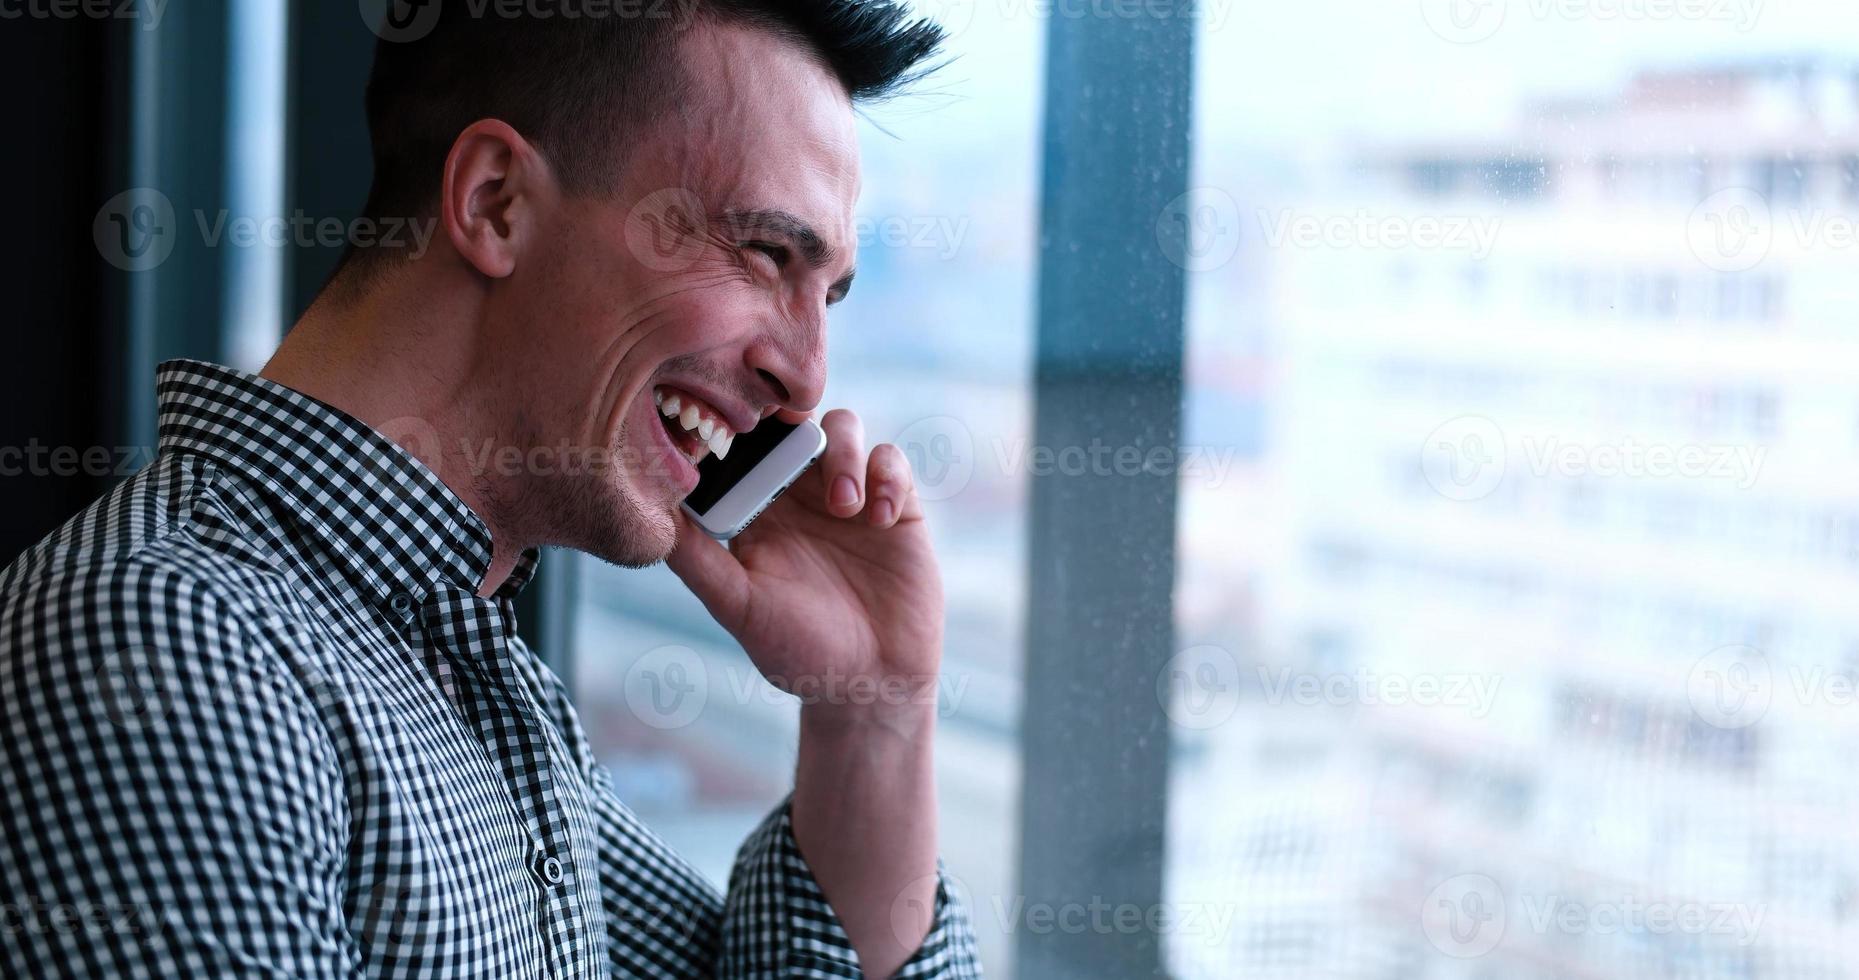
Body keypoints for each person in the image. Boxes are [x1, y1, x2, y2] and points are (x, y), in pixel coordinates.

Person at [0, 1, 982, 976]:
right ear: (495, 202)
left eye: (829, 293)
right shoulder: (171, 639)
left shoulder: (461, 664)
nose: (807, 377)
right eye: (767, 253)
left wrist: (872, 711)